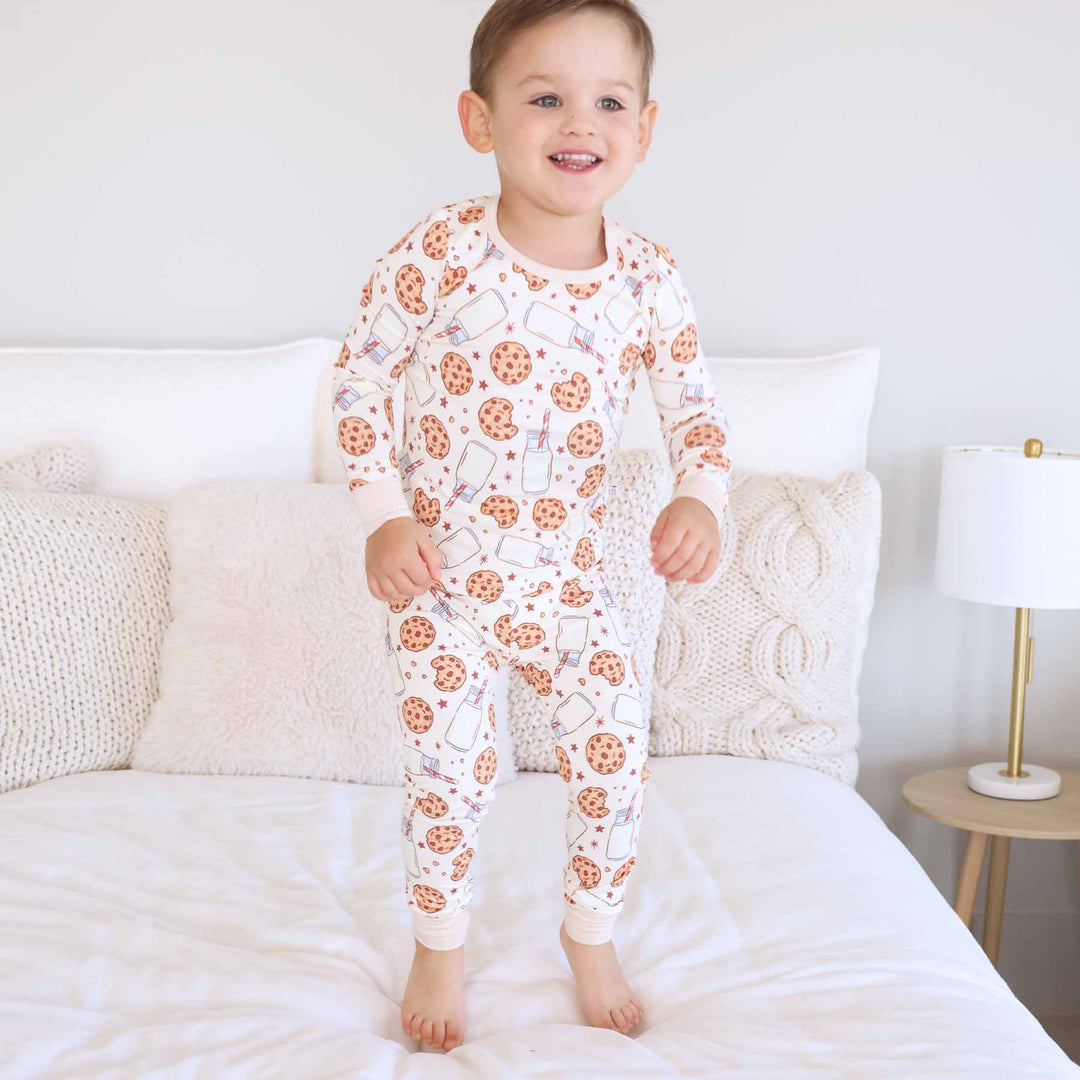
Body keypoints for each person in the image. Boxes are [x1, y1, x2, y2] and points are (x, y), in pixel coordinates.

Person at [330, 0, 732, 1053]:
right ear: (481, 120)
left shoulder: (649, 280)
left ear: (643, 131)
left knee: (613, 750)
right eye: (544, 96)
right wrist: (384, 516)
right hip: (443, 587)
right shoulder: (440, 253)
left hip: (567, 586)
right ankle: (441, 945)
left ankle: (590, 934)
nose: (577, 122)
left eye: (607, 101)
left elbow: (696, 415)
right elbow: (360, 381)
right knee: (450, 772)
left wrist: (701, 495)